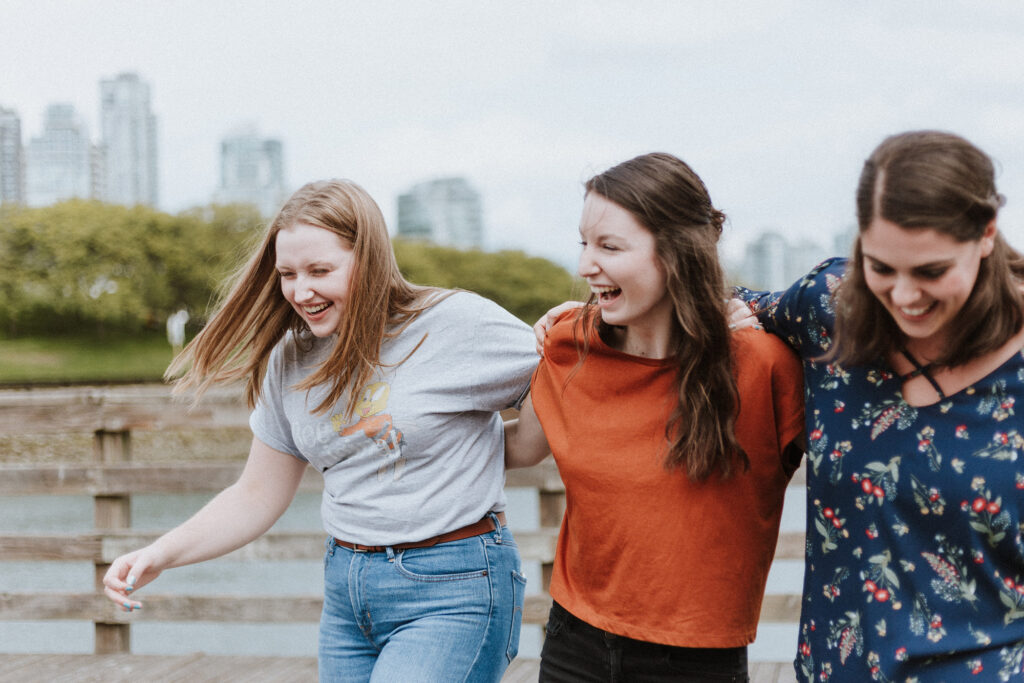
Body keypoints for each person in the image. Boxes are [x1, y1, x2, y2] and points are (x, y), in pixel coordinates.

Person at [101, 179, 538, 682]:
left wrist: (500, 448)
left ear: (369, 259)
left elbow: (562, 381)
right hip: (348, 593)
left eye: (320, 271)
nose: (300, 291)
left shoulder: (454, 324)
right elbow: (256, 494)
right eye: (287, 274)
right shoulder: (290, 359)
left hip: (453, 586)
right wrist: (159, 554)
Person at [731, 130, 1024, 681]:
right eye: (882, 268)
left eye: (931, 271)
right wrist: (583, 327)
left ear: (986, 235)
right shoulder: (830, 306)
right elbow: (725, 309)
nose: (905, 296)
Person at [505, 152, 805, 682]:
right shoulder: (568, 343)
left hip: (696, 662)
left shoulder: (764, 366)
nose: (584, 266)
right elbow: (520, 448)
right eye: (584, 243)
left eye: (609, 247)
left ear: (676, 253)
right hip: (573, 644)